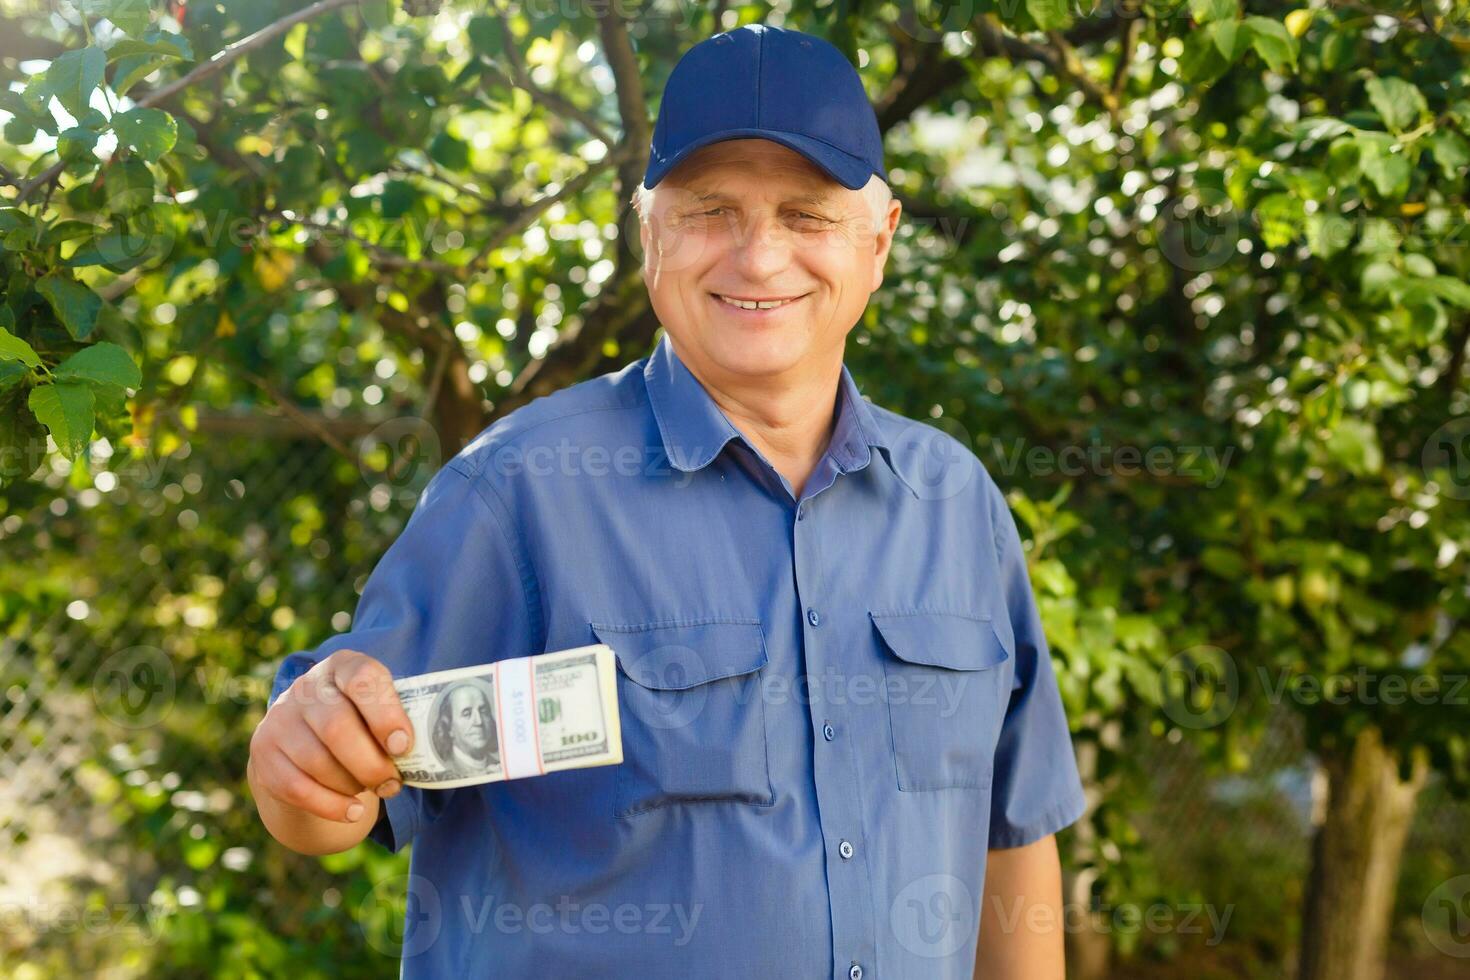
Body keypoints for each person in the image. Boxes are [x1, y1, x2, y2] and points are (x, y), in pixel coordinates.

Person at [247, 23, 1085, 979]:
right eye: (711, 211)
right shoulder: (519, 493)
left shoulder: (955, 501)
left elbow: (1011, 832)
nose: (759, 258)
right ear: (650, 233)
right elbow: (325, 793)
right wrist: (304, 758)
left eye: (806, 215)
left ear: (879, 240)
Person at [430, 682, 498, 775]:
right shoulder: (447, 767)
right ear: (449, 727)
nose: (479, 721)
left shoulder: (498, 765)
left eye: (483, 711)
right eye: (467, 714)